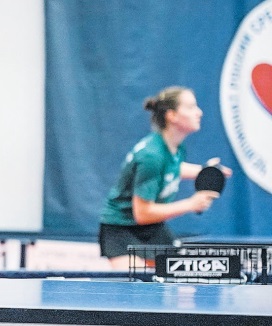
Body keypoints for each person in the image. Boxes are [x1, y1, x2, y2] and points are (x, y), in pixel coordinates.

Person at [98, 86, 230, 269]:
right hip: (121, 229)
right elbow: (142, 213)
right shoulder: (151, 156)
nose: (199, 112)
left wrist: (203, 171)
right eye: (191, 107)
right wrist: (191, 204)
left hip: (153, 228)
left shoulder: (174, 148)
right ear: (172, 116)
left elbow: (171, 168)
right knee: (136, 283)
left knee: (181, 280)